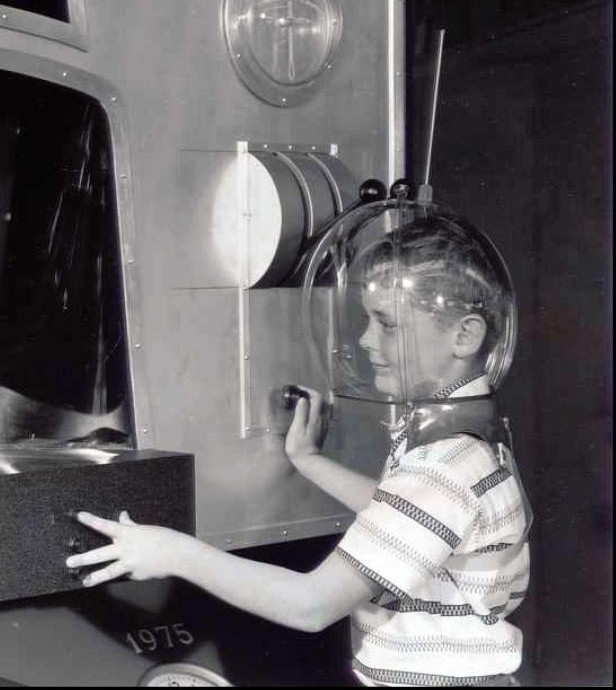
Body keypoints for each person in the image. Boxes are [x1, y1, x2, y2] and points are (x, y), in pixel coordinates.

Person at [67, 207, 531, 687]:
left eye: (387, 324)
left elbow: (312, 605)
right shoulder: (469, 445)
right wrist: (309, 462)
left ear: (464, 335)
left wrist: (174, 554)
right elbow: (406, 516)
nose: (366, 340)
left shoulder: (442, 468)